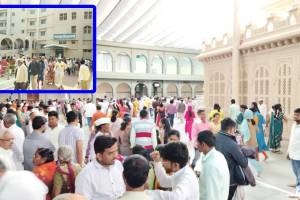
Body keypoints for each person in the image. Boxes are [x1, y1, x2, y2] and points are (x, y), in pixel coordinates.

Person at [215, 118, 248, 200]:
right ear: (231, 129)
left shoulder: (214, 137)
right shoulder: (232, 144)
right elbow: (244, 163)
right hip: (229, 180)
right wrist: (240, 145)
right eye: (234, 129)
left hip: (215, 176)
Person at [196, 130, 230, 200]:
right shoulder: (218, 155)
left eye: (198, 143)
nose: (196, 145)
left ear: (203, 144)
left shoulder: (210, 166)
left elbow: (211, 194)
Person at [287, 108, 300, 198]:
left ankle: (299, 193)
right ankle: (297, 183)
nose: (295, 116)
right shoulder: (294, 124)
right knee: (296, 172)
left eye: (297, 115)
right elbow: (291, 139)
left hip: (299, 155)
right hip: (293, 153)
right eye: (294, 114)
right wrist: (288, 151)